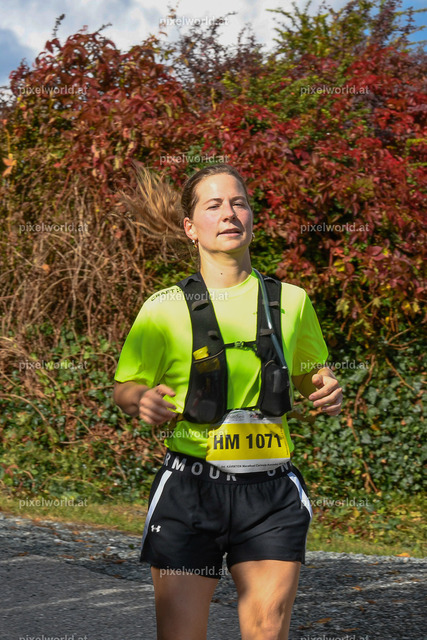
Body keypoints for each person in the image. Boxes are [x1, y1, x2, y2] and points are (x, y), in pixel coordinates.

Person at [113, 164, 343, 640]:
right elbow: (126, 386)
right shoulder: (163, 307)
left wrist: (324, 385)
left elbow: (309, 372)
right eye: (214, 205)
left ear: (251, 217)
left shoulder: (292, 301)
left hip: (271, 493)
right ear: (190, 227)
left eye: (238, 203)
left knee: (266, 628)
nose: (229, 213)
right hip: (189, 490)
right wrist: (142, 399)